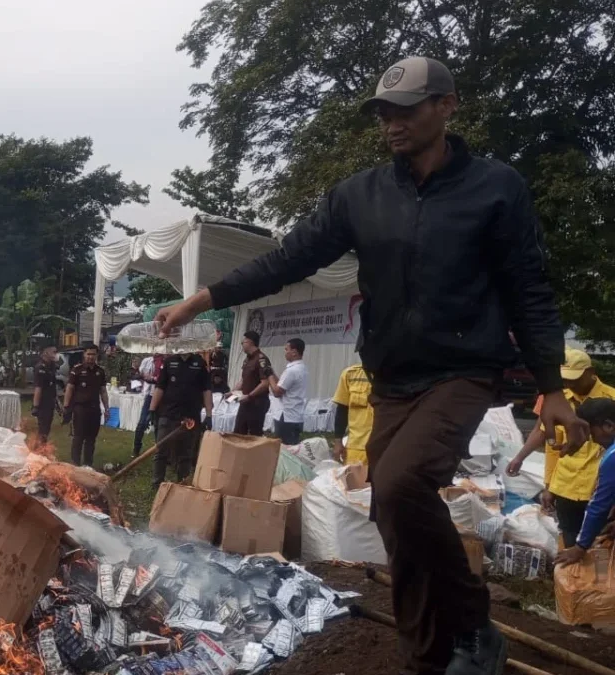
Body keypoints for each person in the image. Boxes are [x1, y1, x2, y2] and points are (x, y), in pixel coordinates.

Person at [153, 56, 587, 675]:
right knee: (389, 504)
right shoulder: (361, 195)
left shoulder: (496, 188)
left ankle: (471, 626)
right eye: (384, 112)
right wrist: (202, 297)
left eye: (406, 109)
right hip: (394, 375)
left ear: (446, 106)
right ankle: (425, 655)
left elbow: (530, 290)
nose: (392, 123)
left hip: (466, 369)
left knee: (404, 482)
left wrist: (555, 390)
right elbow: (287, 260)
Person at [507, 348, 615, 547]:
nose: (568, 383)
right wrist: (523, 461)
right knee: (569, 540)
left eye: (574, 379)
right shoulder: (558, 400)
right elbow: (546, 438)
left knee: (601, 544)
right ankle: (570, 577)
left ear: (590, 373)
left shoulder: (611, 399)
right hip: (566, 484)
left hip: (598, 487)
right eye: (565, 379)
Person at [555, 397, 615, 566]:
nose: (590, 438)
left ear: (608, 426)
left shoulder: (612, 457)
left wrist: (580, 547)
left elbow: (599, 506)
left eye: (591, 431)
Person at [148, 350, 213, 489]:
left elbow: (206, 390)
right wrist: (152, 409)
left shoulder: (200, 363)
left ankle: (182, 484)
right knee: (161, 451)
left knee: (186, 453)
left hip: (190, 416)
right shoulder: (169, 362)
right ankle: (156, 484)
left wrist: (209, 414)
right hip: (168, 413)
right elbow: (160, 387)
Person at [63, 343, 109, 467]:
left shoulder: (100, 371)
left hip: (94, 409)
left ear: (97, 355)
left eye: (93, 354)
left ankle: (88, 464)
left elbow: (103, 391)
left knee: (91, 439)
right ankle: (75, 463)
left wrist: (107, 408)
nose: (90, 357)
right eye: (88, 354)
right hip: (80, 409)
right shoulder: (76, 370)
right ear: (84, 354)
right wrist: (66, 407)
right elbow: (69, 389)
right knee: (78, 437)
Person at [230, 331, 273, 436]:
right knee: (238, 432)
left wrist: (249, 396)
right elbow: (243, 381)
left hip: (257, 403)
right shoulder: (247, 360)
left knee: (254, 435)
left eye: (243, 342)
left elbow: (265, 383)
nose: (242, 345)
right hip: (245, 403)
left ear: (250, 342)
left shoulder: (261, 359)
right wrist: (232, 393)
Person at [331, 362, 374, 465]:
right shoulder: (350, 374)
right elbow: (342, 410)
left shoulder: (393, 375)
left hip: (385, 447)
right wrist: (338, 441)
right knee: (353, 480)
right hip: (357, 448)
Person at [269, 338, 308, 445]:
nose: (285, 353)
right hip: (295, 415)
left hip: (286, 416)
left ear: (294, 352)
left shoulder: (292, 371)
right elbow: (281, 385)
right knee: (292, 448)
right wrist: (271, 373)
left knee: (284, 451)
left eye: (286, 350)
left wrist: (268, 376)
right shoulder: (302, 368)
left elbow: (277, 392)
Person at [131, 355, 160, 457]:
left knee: (159, 424)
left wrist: (153, 378)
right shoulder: (147, 361)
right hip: (150, 395)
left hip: (163, 396)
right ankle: (136, 449)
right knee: (142, 423)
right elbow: (142, 375)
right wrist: (144, 377)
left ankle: (160, 451)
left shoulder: (168, 361)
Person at [32, 345, 60, 445]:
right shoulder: (41, 368)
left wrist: (57, 403)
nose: (56, 354)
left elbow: (53, 387)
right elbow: (38, 387)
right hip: (43, 403)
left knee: (47, 428)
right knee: (43, 429)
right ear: (45, 352)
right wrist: (35, 406)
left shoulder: (51, 366)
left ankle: (42, 449)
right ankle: (38, 451)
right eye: (54, 352)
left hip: (50, 401)